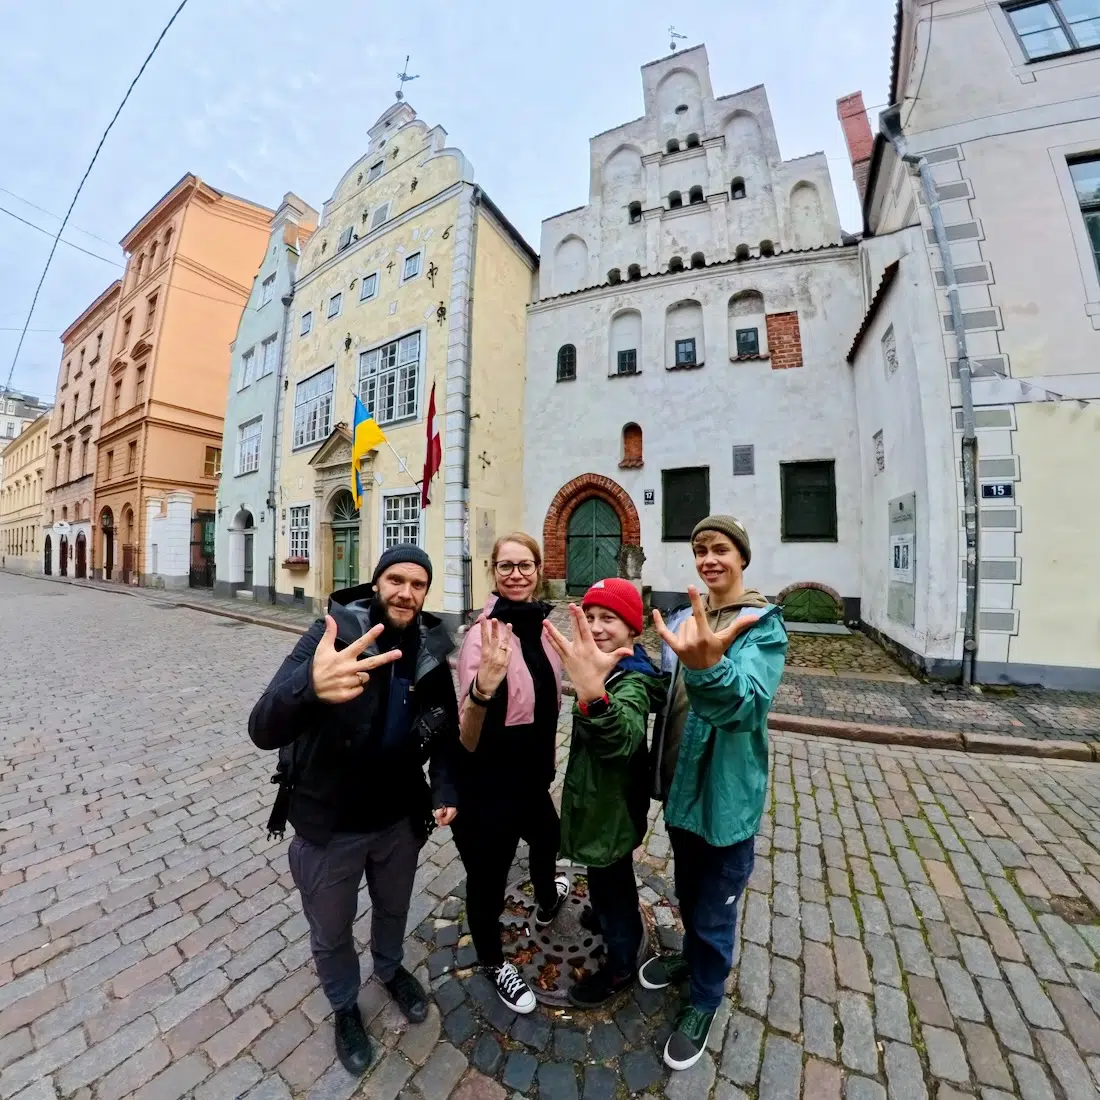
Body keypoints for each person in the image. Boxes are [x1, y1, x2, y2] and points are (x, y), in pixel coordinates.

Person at [248, 545, 459, 1078]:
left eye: (417, 584)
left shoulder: (432, 645)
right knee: (331, 927)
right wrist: (311, 688)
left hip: (398, 821)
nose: (405, 592)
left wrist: (444, 788)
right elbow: (262, 726)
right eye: (395, 579)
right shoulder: (330, 635)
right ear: (375, 583)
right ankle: (345, 1004)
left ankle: (390, 970)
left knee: (393, 909)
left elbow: (447, 728)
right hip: (329, 824)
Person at [640, 516, 788, 1071]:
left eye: (720, 549)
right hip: (681, 789)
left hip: (725, 799)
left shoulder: (763, 626)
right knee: (686, 888)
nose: (708, 559)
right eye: (700, 549)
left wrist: (709, 667)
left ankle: (704, 998)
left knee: (716, 909)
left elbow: (747, 702)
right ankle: (694, 962)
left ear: (741, 557)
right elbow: (667, 688)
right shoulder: (683, 616)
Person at [452, 533, 568, 1014]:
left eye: (525, 565)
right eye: (506, 566)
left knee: (547, 839)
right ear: (493, 572)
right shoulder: (482, 636)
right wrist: (483, 689)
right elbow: (466, 734)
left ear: (538, 570)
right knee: (488, 877)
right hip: (487, 785)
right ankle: (493, 961)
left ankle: (545, 899)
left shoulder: (543, 628)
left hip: (532, 776)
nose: (516, 574)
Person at [544, 580, 666, 1008]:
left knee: (613, 884)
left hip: (611, 809)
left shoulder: (630, 681)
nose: (596, 627)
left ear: (633, 630)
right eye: (591, 617)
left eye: (608, 619)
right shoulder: (609, 668)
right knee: (604, 874)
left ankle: (619, 963)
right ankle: (605, 911)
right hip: (603, 801)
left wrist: (592, 695)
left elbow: (622, 735)